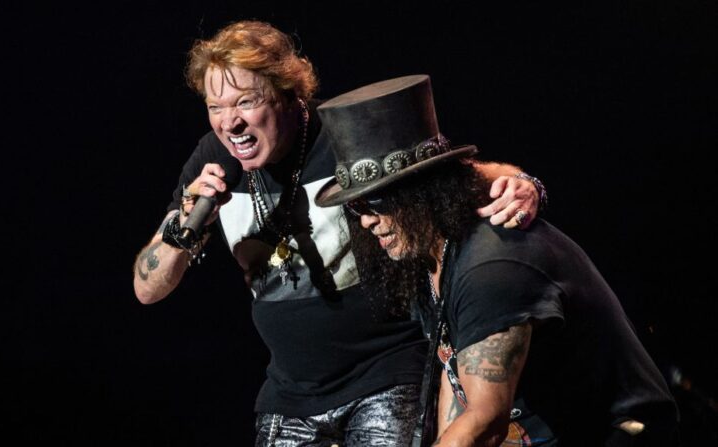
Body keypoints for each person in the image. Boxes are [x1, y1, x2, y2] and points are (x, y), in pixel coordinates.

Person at [133, 21, 544, 446]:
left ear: (288, 93)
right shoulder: (213, 159)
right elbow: (147, 290)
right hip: (290, 394)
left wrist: (524, 184)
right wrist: (183, 229)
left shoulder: (344, 136)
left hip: (386, 375)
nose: (230, 123)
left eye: (246, 102)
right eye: (215, 107)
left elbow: (456, 178)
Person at [314, 74, 680, 446]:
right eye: (357, 205)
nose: (366, 220)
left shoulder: (491, 267)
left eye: (376, 202)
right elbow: (456, 382)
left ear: (423, 192)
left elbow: (485, 422)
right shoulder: (429, 255)